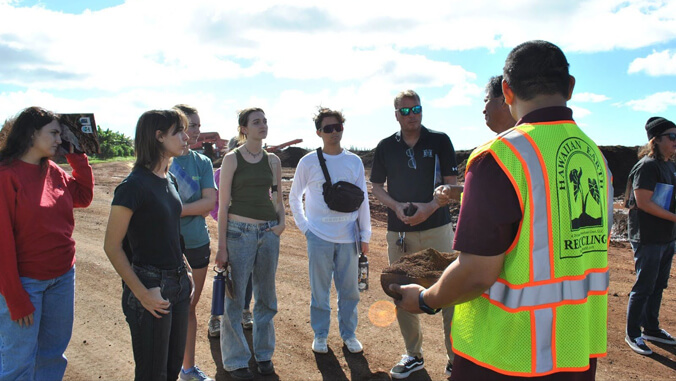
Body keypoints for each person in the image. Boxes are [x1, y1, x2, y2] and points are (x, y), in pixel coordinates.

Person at [393, 40, 613, 380]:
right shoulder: (596, 158)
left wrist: (425, 300)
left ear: (507, 91)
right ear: (569, 87)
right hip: (575, 350)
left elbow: (477, 273)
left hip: (505, 355)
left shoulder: (500, 157)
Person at [0, 106, 94, 380]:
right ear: (31, 134)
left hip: (63, 277)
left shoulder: (52, 170)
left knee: (53, 355)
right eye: (53, 133)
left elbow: (84, 196)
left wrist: (77, 155)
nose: (58, 139)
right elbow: (2, 244)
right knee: (19, 362)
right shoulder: (7, 176)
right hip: (26, 283)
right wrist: (15, 298)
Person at [371, 89, 459, 379]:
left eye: (417, 109)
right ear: (396, 114)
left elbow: (451, 184)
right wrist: (396, 206)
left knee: (451, 291)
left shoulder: (440, 141)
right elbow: (377, 187)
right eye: (406, 111)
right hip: (400, 232)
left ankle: (455, 359)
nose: (413, 115)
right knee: (399, 289)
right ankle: (413, 355)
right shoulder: (385, 146)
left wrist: (430, 207)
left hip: (437, 228)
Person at [103, 109, 194, 381]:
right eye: (179, 131)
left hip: (177, 283)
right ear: (159, 136)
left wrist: (186, 269)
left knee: (171, 369)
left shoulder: (171, 179)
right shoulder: (133, 186)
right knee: (152, 374)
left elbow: (171, 233)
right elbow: (112, 246)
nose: (186, 137)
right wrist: (142, 294)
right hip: (150, 285)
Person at [289, 107, 372, 355]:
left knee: (350, 291)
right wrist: (306, 228)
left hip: (349, 238)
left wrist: (365, 235)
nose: (334, 132)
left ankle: (349, 335)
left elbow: (363, 200)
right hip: (319, 237)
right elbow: (294, 197)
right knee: (320, 291)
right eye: (328, 128)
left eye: (338, 127)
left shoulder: (354, 161)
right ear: (319, 132)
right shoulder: (308, 162)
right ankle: (321, 335)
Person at [215, 108, 285, 380]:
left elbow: (278, 197)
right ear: (243, 128)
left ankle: (264, 354)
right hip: (238, 233)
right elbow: (222, 207)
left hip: (269, 233)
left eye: (265, 121)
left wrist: (282, 223)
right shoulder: (232, 159)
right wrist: (222, 247)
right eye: (256, 122)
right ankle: (235, 360)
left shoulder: (274, 161)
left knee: (266, 297)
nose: (263, 125)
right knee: (235, 298)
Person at [170, 105, 217, 381]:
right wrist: (191, 207)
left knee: (188, 307)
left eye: (199, 125)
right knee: (164, 309)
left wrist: (173, 209)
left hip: (196, 242)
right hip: (165, 245)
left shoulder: (203, 162)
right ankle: (165, 369)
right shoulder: (161, 161)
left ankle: (187, 369)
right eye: (192, 125)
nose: (197, 130)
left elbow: (209, 202)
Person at [625, 116, 676, 355]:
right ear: (655, 140)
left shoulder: (669, 165)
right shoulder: (647, 166)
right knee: (644, 285)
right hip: (647, 236)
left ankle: (651, 329)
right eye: (672, 137)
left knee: (658, 285)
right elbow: (643, 203)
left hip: (666, 236)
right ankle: (633, 333)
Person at [208, 137, 255, 339]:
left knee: (248, 276)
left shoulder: (257, 174)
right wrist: (224, 221)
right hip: (230, 231)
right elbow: (215, 205)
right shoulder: (219, 174)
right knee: (223, 274)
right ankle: (215, 317)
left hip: (253, 231)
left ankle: (245, 311)